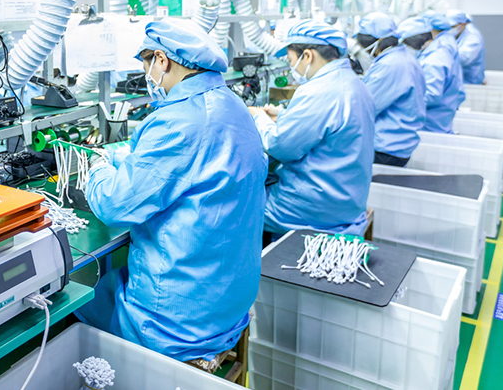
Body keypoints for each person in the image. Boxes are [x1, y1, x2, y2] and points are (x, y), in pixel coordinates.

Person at [78, 19, 267, 372]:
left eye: (147, 64)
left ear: (162, 60)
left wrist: (98, 165)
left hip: (176, 322)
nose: (149, 76)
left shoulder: (181, 120)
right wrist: (121, 156)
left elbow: (113, 205)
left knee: (77, 303)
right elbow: (159, 159)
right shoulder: (232, 106)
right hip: (229, 303)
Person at [248, 20, 374, 237]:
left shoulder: (319, 90)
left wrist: (259, 117)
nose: (293, 68)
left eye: (291, 61)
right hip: (346, 200)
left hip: (312, 208)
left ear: (308, 56)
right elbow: (327, 123)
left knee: (238, 206)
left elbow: (279, 146)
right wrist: (283, 115)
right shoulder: (353, 83)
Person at [356, 13, 426, 167]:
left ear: (376, 43)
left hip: (385, 148)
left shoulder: (390, 66)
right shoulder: (404, 58)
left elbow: (364, 107)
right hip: (398, 143)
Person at [399, 16, 465, 133]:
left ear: (416, 41)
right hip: (438, 117)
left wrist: (402, 103)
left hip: (432, 121)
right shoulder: (433, 53)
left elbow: (430, 95)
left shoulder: (434, 61)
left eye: (406, 45)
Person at [447, 9, 486, 84]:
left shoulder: (473, 37)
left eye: (453, 26)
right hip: (460, 81)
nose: (450, 29)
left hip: (470, 82)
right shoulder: (458, 35)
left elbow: (463, 59)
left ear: (463, 24)